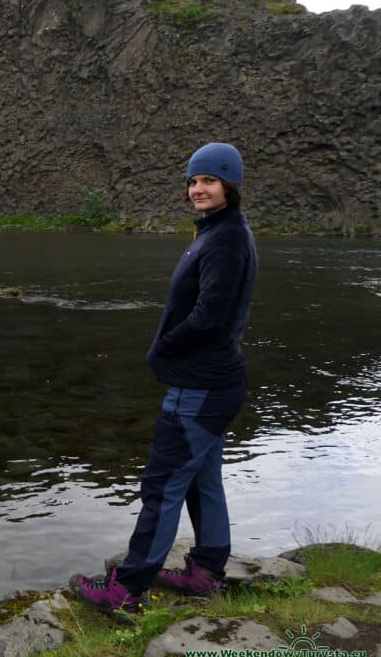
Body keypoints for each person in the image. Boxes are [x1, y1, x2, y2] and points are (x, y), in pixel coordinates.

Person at [68, 142, 259, 617]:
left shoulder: (227, 239)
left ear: (229, 186)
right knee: (202, 482)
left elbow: (210, 317)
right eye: (193, 181)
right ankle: (206, 571)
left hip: (200, 388)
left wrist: (164, 346)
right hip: (214, 382)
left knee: (163, 485)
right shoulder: (219, 232)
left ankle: (127, 589)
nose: (198, 188)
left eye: (209, 181)